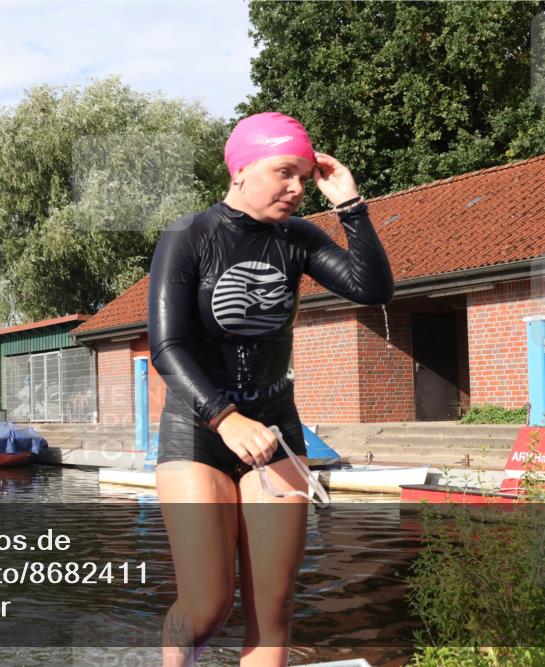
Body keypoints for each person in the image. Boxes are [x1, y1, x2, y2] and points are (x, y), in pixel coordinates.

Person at [149, 112, 394, 665]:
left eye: (305, 178)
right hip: (200, 432)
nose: (297, 188)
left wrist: (350, 209)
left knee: (275, 608)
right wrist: (226, 418)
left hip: (276, 434)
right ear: (241, 169)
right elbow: (167, 347)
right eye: (286, 172)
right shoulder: (188, 236)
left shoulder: (298, 238)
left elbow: (372, 287)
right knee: (207, 605)